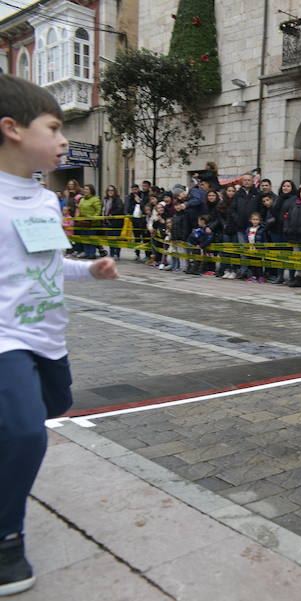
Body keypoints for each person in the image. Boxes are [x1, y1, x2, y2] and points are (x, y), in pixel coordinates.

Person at [0, 73, 119, 596]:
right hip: (6, 339)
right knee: (26, 433)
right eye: (54, 127)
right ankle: (6, 539)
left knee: (53, 405)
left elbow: (49, 265)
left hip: (48, 336)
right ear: (13, 129)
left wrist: (86, 271)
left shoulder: (47, 199)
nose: (64, 138)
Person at [75, 184, 101, 259]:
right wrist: (78, 218)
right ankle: (86, 253)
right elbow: (79, 209)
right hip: (83, 222)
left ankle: (92, 254)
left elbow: (98, 211)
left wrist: (92, 218)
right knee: (84, 238)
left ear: (91, 190)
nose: (85, 191)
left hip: (92, 223)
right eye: (84, 189)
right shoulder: (82, 199)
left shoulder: (95, 199)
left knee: (91, 239)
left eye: (87, 189)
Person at [101, 185, 124, 260]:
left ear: (115, 191)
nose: (110, 192)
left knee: (116, 239)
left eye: (112, 190)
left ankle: (116, 254)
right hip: (107, 222)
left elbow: (120, 209)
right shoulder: (105, 200)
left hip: (116, 223)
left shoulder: (118, 200)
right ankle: (111, 253)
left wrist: (112, 214)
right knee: (110, 239)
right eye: (109, 190)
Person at [245, 212, 268, 283]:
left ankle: (261, 276)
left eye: (257, 219)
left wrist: (265, 249)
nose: (255, 221)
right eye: (253, 219)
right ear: (250, 220)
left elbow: (265, 240)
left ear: (260, 221)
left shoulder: (262, 229)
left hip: (258, 250)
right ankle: (253, 276)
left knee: (259, 264)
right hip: (250, 250)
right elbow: (246, 239)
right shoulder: (248, 229)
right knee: (252, 264)